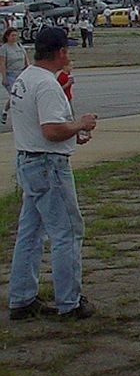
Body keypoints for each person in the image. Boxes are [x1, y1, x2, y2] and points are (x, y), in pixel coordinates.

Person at [7, 26, 98, 321]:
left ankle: (21, 298)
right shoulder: (47, 85)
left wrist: (72, 134)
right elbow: (51, 130)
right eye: (66, 50)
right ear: (59, 52)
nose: (68, 54)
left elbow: (39, 126)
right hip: (49, 166)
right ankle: (69, 303)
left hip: (28, 160)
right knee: (68, 232)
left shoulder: (25, 78)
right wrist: (79, 125)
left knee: (31, 232)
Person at [1, 26, 28, 126]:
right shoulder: (4, 48)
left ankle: (5, 110)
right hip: (10, 74)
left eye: (16, 35)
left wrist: (28, 70)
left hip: (20, 73)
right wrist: (4, 77)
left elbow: (26, 60)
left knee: (22, 96)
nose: (14, 37)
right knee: (15, 96)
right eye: (12, 35)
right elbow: (2, 64)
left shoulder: (20, 46)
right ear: (7, 36)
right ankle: (16, 116)